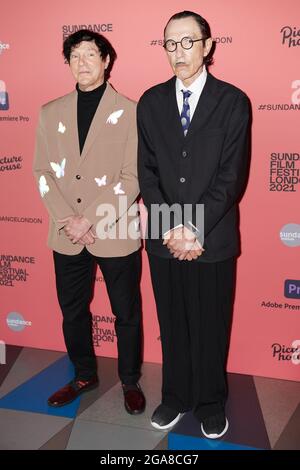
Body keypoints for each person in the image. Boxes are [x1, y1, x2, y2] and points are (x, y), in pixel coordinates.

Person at [137, 11, 250, 438]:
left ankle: (209, 401)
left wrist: (194, 229)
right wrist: (171, 230)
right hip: (165, 239)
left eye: (188, 42)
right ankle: (176, 396)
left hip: (213, 239)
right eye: (170, 43)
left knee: (211, 323)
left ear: (207, 45)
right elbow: (147, 172)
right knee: (173, 322)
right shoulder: (151, 102)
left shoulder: (233, 101)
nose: (179, 51)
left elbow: (230, 176)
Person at [33, 29, 145, 414]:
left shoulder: (132, 111)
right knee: (73, 310)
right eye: (74, 56)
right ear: (68, 62)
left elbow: (132, 177)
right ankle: (83, 374)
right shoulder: (50, 112)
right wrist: (69, 220)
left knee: (126, 312)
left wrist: (91, 219)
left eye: (90, 54)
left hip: (115, 231)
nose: (82, 62)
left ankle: (130, 380)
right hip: (66, 233)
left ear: (106, 60)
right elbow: (43, 172)